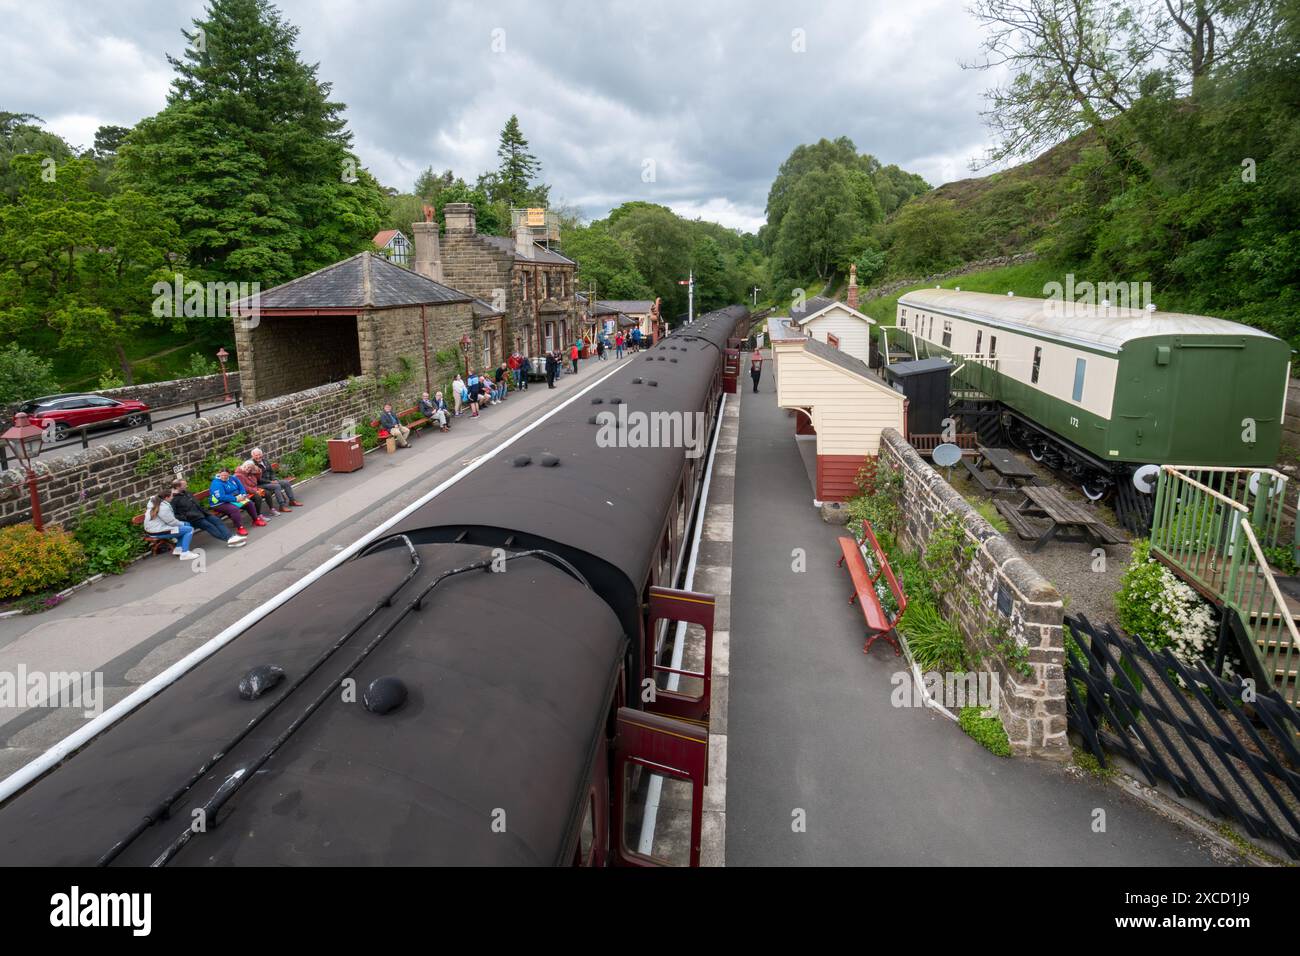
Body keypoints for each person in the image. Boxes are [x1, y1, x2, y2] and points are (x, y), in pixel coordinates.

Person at [171, 479, 245, 548]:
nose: (187, 486)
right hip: (193, 519)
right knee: (209, 526)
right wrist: (186, 517)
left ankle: (230, 537)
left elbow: (197, 503)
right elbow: (175, 514)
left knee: (217, 520)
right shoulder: (173, 499)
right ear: (178, 487)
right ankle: (229, 540)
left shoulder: (187, 493)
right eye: (184, 485)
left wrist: (205, 511)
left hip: (202, 513)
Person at [143, 489, 200, 560]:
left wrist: (183, 524)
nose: (172, 498)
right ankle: (185, 553)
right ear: (166, 498)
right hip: (158, 531)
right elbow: (172, 522)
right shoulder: (163, 507)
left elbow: (170, 522)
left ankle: (178, 550)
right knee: (189, 529)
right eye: (171, 496)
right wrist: (183, 524)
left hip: (154, 529)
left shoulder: (155, 502)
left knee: (184, 527)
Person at [210, 466, 264, 534]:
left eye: (226, 475)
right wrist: (235, 499)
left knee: (249, 503)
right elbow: (221, 497)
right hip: (219, 503)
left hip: (233, 499)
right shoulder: (216, 483)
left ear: (229, 474)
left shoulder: (233, 478)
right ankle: (240, 528)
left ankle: (256, 520)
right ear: (219, 474)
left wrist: (243, 495)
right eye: (222, 475)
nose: (224, 477)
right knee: (234, 509)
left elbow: (241, 487)